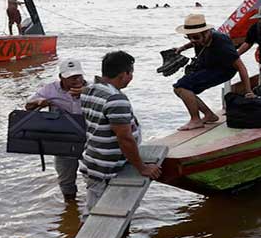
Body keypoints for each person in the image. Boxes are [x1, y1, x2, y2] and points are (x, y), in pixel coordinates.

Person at [79, 51, 160, 215]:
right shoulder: (115, 99)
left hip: (94, 160)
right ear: (124, 74)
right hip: (106, 169)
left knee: (100, 211)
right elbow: (125, 138)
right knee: (100, 217)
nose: (131, 78)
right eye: (131, 73)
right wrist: (142, 167)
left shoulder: (89, 90)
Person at [172, 14, 255, 130]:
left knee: (182, 86)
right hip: (207, 66)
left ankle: (196, 120)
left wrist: (248, 91)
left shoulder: (221, 42)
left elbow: (241, 67)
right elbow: (193, 41)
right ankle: (209, 115)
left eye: (195, 37)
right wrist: (182, 48)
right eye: (189, 37)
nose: (193, 41)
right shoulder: (201, 38)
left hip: (223, 70)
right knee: (180, 90)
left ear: (206, 32)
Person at [26, 59, 87, 200]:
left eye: (79, 76)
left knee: (94, 175)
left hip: (88, 137)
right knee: (65, 179)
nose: (76, 80)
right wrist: (40, 102)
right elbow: (28, 106)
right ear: (61, 77)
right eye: (71, 78)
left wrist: (86, 92)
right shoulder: (49, 89)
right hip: (63, 139)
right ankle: (70, 209)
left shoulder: (91, 88)